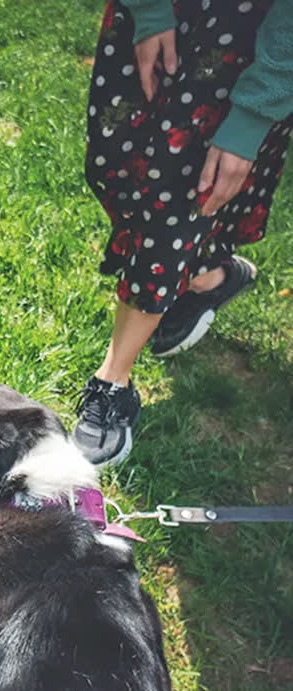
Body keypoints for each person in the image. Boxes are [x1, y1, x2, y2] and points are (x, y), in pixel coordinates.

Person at [74, 0, 293, 466]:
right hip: (154, 14)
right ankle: (208, 276)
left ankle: (113, 380)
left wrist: (255, 112)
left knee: (176, 202)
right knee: (111, 165)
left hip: (245, 39)